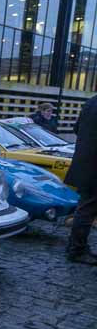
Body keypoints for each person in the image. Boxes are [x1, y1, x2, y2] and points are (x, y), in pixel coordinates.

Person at [64, 94, 97, 265]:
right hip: (94, 166)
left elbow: (77, 129)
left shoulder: (91, 101)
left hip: (86, 164)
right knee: (86, 210)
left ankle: (75, 247)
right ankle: (77, 250)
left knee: (85, 208)